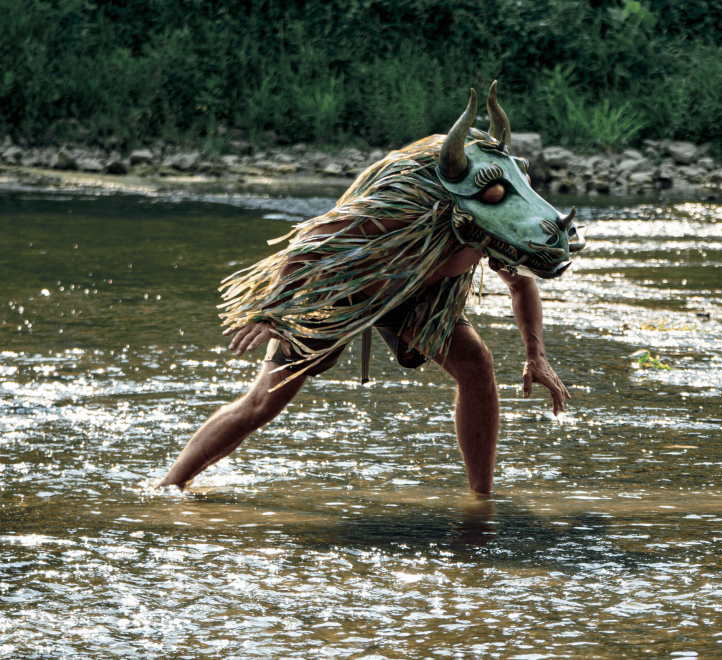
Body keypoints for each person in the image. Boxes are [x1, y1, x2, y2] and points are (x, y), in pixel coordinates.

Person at [156, 84, 576, 496]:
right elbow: (312, 244)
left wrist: (535, 356)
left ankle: (481, 501)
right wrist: (274, 311)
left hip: (419, 298)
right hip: (345, 289)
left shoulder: (495, 225)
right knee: (262, 402)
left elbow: (521, 284)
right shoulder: (401, 212)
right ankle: (167, 488)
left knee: (476, 365)